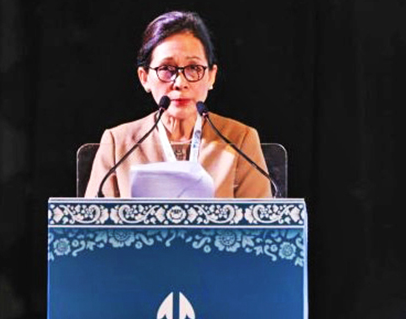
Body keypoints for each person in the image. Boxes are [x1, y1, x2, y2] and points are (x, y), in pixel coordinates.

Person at [84, 10, 272, 199]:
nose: (180, 83)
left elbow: (260, 218)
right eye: (166, 69)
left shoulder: (240, 140)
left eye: (193, 68)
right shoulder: (118, 144)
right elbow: (92, 217)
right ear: (144, 77)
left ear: (211, 76)